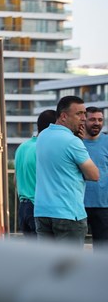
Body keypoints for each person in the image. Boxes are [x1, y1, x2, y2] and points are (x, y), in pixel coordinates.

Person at [34, 96, 100, 244]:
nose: (84, 118)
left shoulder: (43, 136)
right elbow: (94, 175)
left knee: (47, 264)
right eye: (79, 114)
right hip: (68, 213)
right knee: (70, 266)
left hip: (42, 211)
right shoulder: (72, 142)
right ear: (63, 116)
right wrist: (80, 142)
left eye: (84, 113)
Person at [13, 110, 58, 237]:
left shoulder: (22, 147)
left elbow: (15, 181)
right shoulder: (44, 148)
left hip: (23, 208)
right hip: (38, 208)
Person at [82, 106, 108, 248]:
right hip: (78, 205)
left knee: (103, 251)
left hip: (104, 206)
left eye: (100, 119)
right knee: (74, 250)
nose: (96, 123)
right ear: (84, 120)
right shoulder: (75, 142)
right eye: (92, 119)